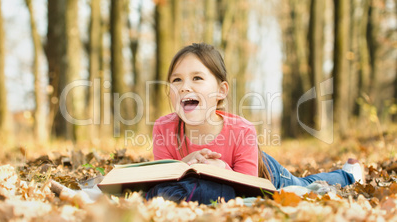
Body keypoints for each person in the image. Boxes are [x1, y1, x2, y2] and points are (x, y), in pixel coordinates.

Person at [146, 43, 363, 204]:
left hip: (263, 172)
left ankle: (349, 174)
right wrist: (185, 164)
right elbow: (165, 180)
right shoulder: (164, 128)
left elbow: (248, 190)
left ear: (221, 91)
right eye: (176, 80)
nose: (184, 87)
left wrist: (223, 169)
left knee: (305, 185)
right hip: (213, 183)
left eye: (197, 78)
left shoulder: (242, 131)